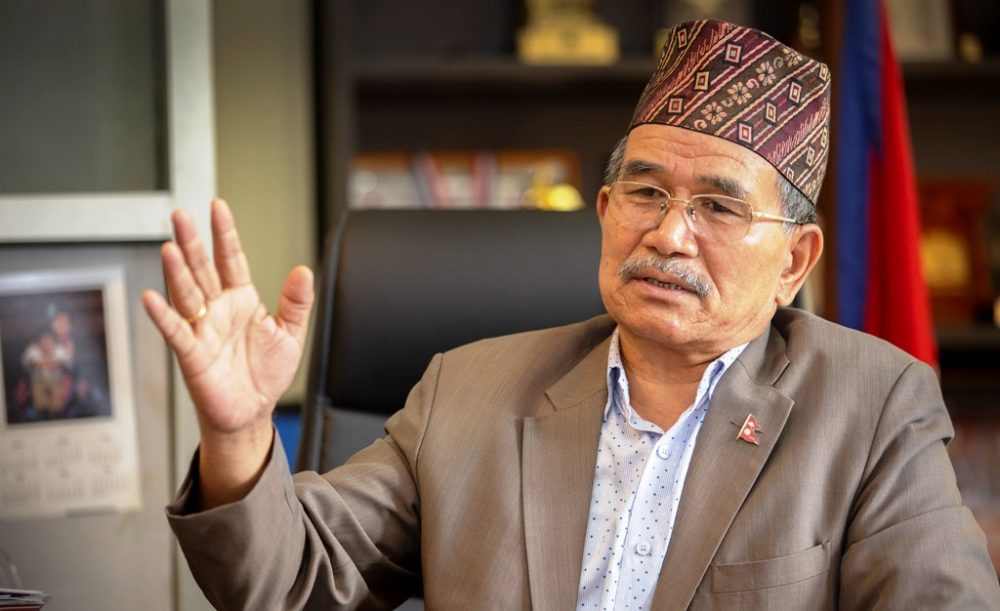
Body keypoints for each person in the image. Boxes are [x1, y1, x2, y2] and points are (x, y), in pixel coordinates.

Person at [144, 19, 1000, 610]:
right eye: (646, 192)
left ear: (795, 262)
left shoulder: (872, 407)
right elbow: (289, 582)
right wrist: (239, 433)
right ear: (604, 210)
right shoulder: (467, 393)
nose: (669, 233)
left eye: (718, 206)